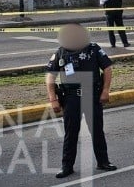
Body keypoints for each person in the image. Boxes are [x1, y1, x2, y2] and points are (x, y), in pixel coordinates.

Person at [45, 23, 116, 178]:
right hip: (71, 97)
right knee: (71, 132)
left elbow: (108, 68)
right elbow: (51, 76)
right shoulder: (61, 52)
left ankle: (103, 162)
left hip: (92, 95)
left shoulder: (93, 48)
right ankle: (67, 166)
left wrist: (105, 91)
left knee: (96, 130)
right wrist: (53, 99)